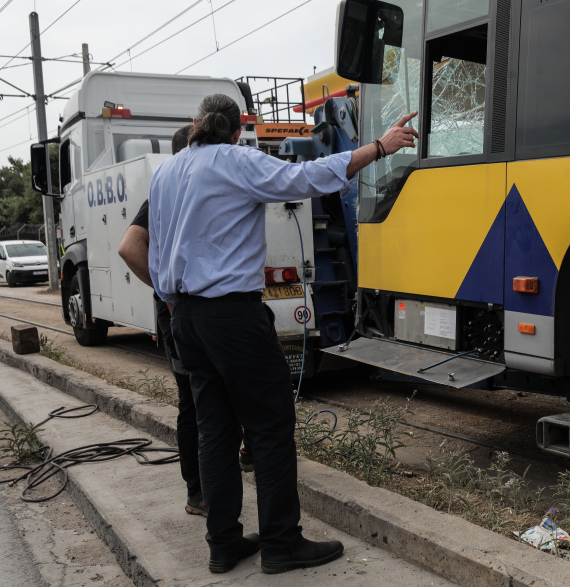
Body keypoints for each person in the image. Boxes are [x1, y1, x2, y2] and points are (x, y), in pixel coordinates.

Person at [148, 93, 418, 575]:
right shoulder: (236, 161)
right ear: (237, 130)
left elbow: (156, 248)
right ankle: (280, 542)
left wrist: (177, 304)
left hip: (185, 316)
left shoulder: (167, 172)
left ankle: (223, 543)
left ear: (196, 125)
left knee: (215, 433)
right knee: (270, 428)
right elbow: (307, 177)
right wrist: (380, 146)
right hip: (233, 317)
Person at [119, 124, 207, 517]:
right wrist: (168, 297)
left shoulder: (182, 191)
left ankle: (215, 479)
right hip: (179, 316)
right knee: (192, 402)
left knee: (207, 398)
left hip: (193, 315)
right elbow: (129, 247)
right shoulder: (164, 194)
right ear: (187, 152)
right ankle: (197, 493)